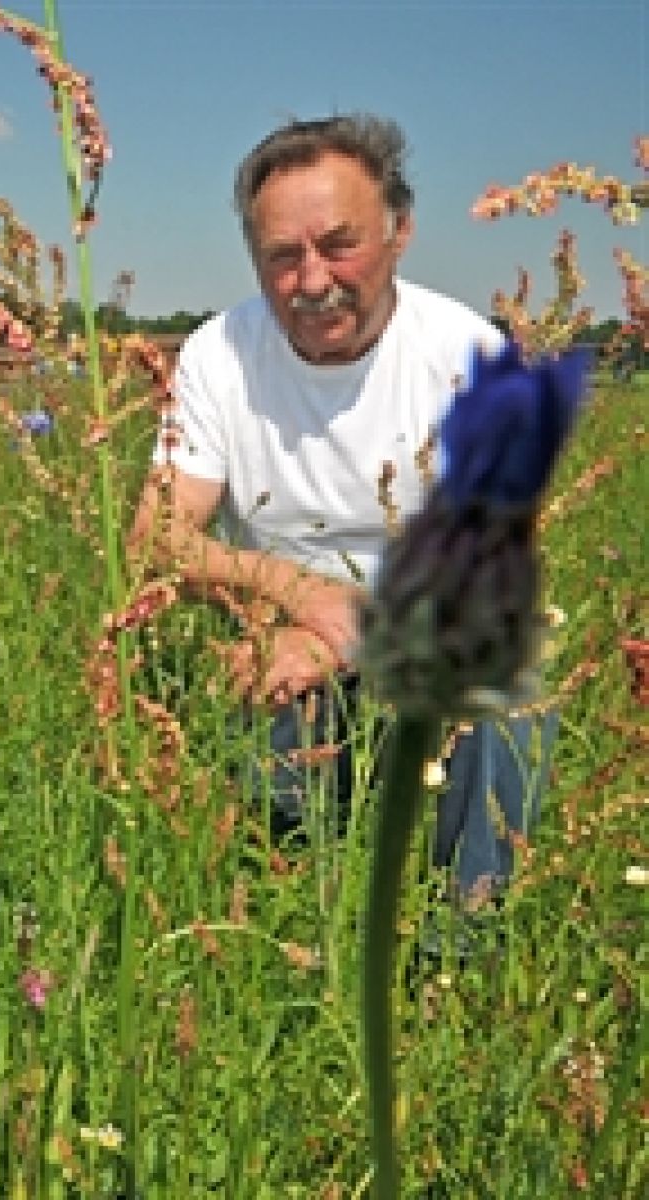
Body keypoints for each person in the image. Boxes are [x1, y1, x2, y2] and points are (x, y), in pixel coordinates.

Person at [129, 114, 553, 909]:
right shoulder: (218, 354)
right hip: (281, 637)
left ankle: (462, 950)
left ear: (400, 233)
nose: (312, 278)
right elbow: (155, 537)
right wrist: (300, 601)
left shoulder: (471, 359)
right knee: (241, 767)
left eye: (339, 243)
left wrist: (352, 632)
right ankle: (273, 934)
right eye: (281, 256)